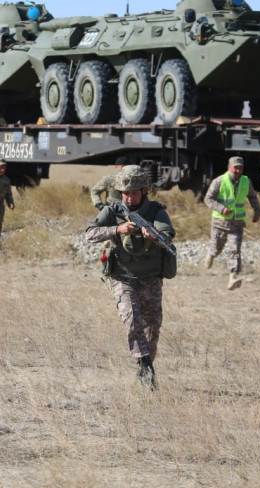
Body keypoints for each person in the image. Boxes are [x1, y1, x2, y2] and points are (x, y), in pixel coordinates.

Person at [85, 165, 175, 390]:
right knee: (131, 318)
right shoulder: (113, 210)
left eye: (134, 193)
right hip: (122, 276)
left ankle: (145, 364)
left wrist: (154, 235)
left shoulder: (156, 210)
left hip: (151, 278)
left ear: (144, 191)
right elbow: (89, 234)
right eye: (125, 193)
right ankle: (145, 363)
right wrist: (116, 230)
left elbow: (167, 234)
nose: (129, 197)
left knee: (152, 328)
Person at [203, 156, 260, 290]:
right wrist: (221, 208)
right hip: (219, 223)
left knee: (234, 249)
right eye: (235, 167)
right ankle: (211, 254)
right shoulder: (219, 181)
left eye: (240, 168)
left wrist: (257, 212)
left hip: (237, 223)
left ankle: (233, 277)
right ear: (229, 167)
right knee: (217, 247)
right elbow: (208, 199)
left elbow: (252, 197)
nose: (238, 170)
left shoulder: (246, 181)